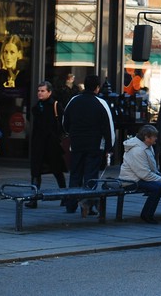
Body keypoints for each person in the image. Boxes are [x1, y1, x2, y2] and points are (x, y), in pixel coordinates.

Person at [62, 75, 115, 216]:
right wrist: (110, 147)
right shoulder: (101, 103)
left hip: (77, 143)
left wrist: (71, 134)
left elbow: (64, 122)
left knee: (75, 174)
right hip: (95, 145)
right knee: (91, 176)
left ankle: (71, 205)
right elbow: (109, 128)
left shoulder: (74, 101)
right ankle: (88, 205)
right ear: (97, 88)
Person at [119, 124, 161, 225]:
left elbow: (150, 170)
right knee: (159, 187)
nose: (156, 138)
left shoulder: (147, 146)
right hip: (131, 180)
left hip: (140, 178)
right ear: (146, 137)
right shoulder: (137, 150)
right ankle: (148, 214)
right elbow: (144, 174)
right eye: (154, 136)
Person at [26, 81, 67, 208]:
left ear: (49, 92)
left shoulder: (55, 105)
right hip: (38, 143)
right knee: (36, 171)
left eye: (43, 91)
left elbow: (63, 123)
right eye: (38, 90)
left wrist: (57, 137)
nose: (40, 93)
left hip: (51, 144)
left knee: (57, 170)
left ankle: (64, 195)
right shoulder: (37, 107)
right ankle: (34, 198)